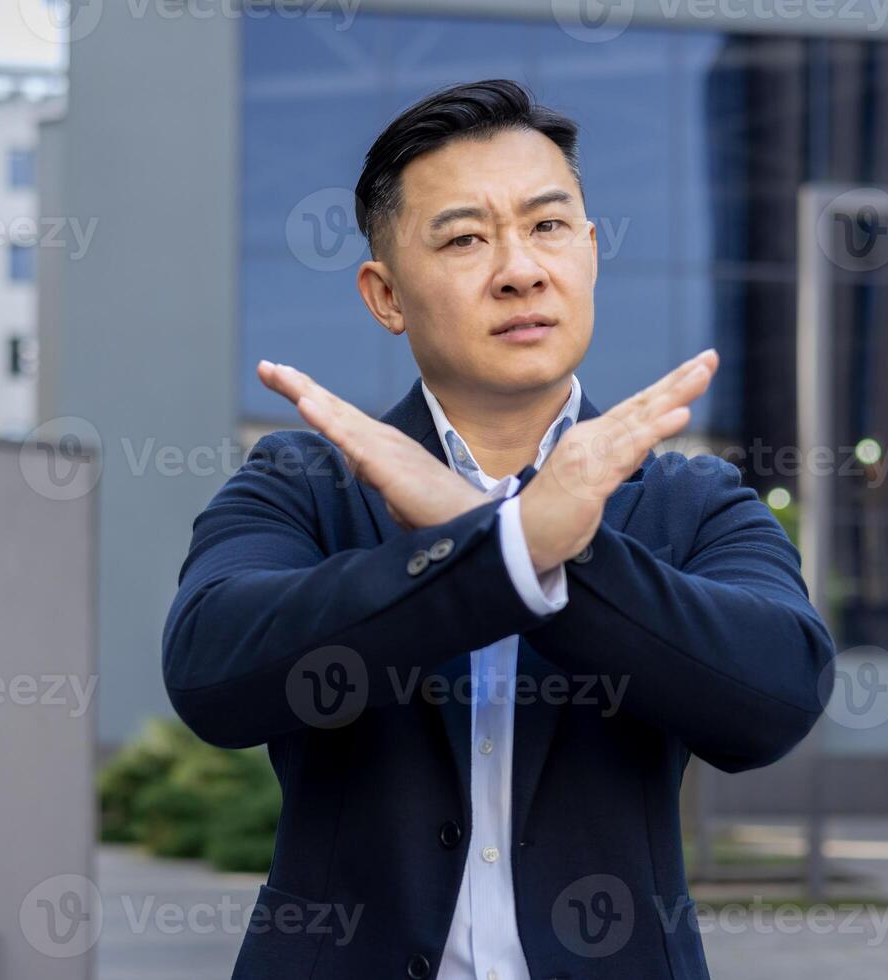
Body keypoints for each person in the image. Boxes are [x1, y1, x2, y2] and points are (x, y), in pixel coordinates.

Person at [163, 78, 836, 980]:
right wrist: (501, 548)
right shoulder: (305, 481)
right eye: (466, 238)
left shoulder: (693, 498)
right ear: (385, 294)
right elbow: (212, 670)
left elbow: (777, 697)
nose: (520, 268)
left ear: (591, 254)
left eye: (548, 226)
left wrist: (507, 538)